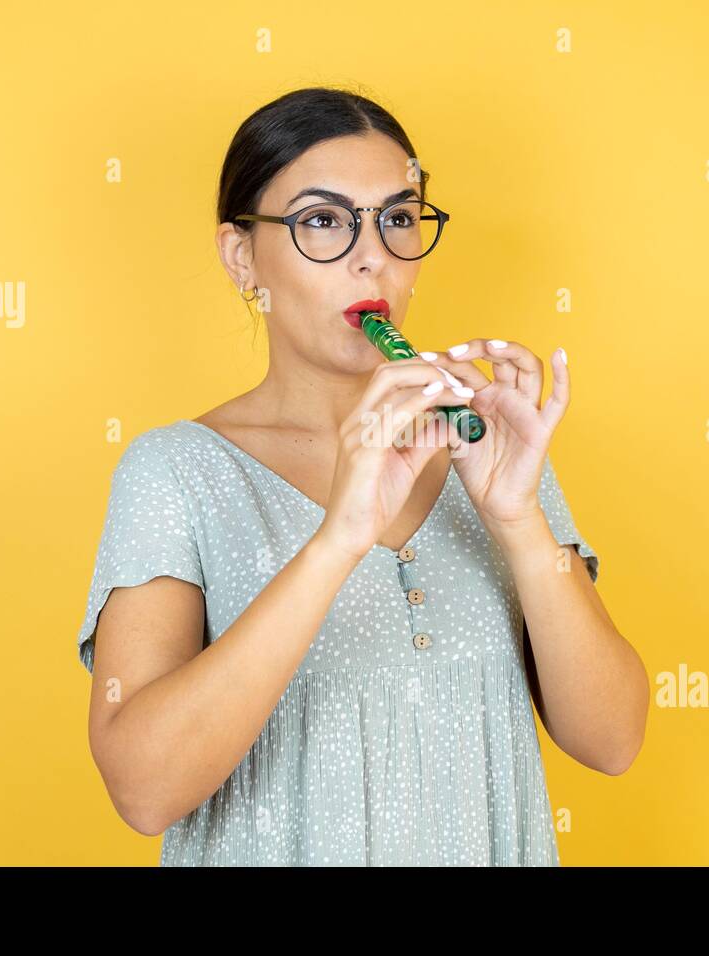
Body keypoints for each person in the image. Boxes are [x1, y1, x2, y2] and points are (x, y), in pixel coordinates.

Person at [75, 86, 649, 865]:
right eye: (322, 221)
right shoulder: (175, 472)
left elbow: (612, 741)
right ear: (242, 256)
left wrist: (518, 520)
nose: (371, 256)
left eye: (398, 218)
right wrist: (337, 540)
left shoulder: (490, 450)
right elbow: (144, 790)